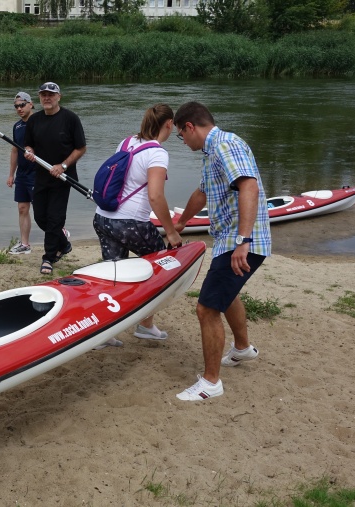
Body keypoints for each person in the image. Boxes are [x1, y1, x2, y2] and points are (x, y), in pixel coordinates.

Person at [171, 101, 271, 401]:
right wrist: (180, 223)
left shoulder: (226, 145)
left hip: (240, 242)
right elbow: (202, 193)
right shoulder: (212, 151)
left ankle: (210, 383)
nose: (183, 141)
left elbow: (249, 187)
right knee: (226, 296)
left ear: (190, 127)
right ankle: (243, 348)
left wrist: (243, 240)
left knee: (206, 308)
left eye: (181, 135)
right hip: (230, 239)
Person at [92, 104, 184, 350]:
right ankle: (145, 326)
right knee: (160, 269)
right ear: (168, 124)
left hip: (103, 218)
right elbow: (155, 197)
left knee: (113, 275)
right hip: (130, 223)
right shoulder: (157, 153)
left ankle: (104, 333)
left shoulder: (125, 142)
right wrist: (172, 232)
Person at [23, 82, 87, 275]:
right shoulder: (34, 120)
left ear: (59, 96)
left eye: (51, 94)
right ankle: (64, 244)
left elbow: (81, 147)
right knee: (40, 217)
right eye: (43, 94)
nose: (47, 98)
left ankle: (48, 257)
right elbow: (28, 145)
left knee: (55, 218)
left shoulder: (70, 119)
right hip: (41, 176)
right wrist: (29, 152)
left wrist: (63, 166)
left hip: (63, 178)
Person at [7, 92, 36, 255]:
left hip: (38, 173)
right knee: (22, 208)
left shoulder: (40, 122)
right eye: (16, 106)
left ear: (30, 104)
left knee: (42, 209)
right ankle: (25, 244)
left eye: (22, 105)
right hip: (22, 174)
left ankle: (59, 232)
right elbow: (14, 150)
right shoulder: (17, 126)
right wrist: (11, 174)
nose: (19, 108)